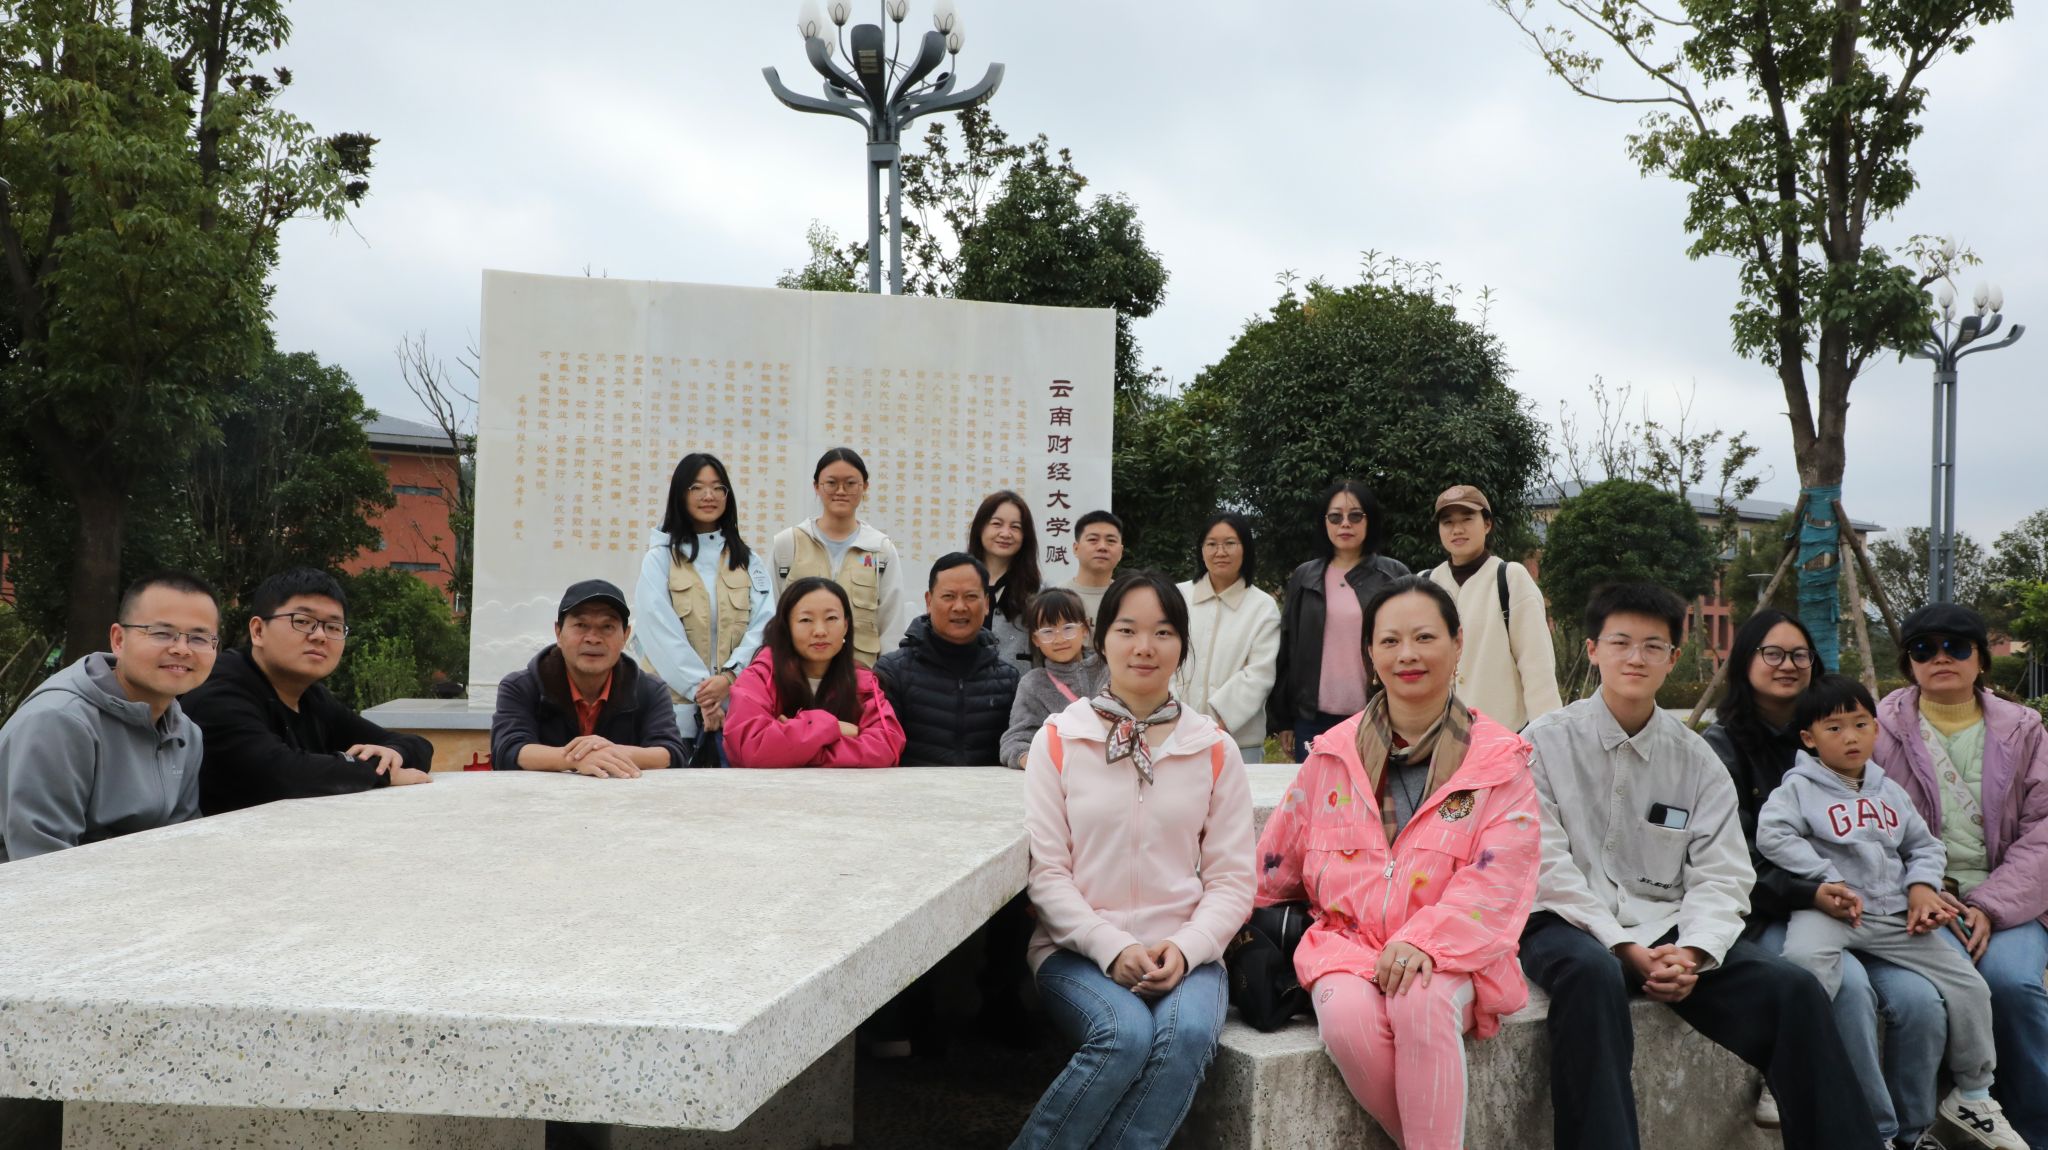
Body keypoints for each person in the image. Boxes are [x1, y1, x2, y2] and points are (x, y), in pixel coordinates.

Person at [1518, 581, 1877, 1150]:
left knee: (1793, 990)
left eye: (1653, 646)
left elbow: (1723, 873)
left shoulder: (1696, 758)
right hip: (1565, 921)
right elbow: (1543, 864)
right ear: (1593, 650)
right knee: (1591, 976)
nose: (1636, 658)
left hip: (1667, 927)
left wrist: (1692, 951)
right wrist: (1621, 946)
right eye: (1620, 643)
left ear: (1673, 657)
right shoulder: (1543, 744)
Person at [1254, 576, 1541, 1150]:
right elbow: (1272, 868)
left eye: (1424, 637)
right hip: (1345, 944)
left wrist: (1423, 941)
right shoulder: (1332, 756)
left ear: (1458, 644)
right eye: (1389, 641)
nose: (1407, 654)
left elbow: (1500, 880)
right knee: (1348, 1024)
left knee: (1421, 1002)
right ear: (1370, 652)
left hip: (1454, 950)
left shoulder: (1497, 762)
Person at [1013, 572, 1254, 1149]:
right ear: (1101, 639)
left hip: (1186, 951)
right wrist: (1111, 946)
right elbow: (1048, 873)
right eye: (1127, 630)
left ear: (1183, 645)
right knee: (1124, 1034)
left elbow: (1232, 880)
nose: (1144, 647)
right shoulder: (1059, 739)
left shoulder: (1213, 749)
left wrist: (1188, 946)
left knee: (1187, 1033)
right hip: (1076, 950)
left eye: (1163, 632)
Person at [1704, 610, 1945, 1144]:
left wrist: (1919, 885)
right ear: (1744, 661)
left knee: (1920, 1001)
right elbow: (1732, 855)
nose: (1788, 664)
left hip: (1865, 910)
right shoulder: (1722, 747)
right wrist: (1811, 892)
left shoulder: (1841, 729)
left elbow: (1897, 833)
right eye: (1772, 653)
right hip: (1775, 909)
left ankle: (1914, 1133)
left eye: (1800, 654)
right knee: (1849, 992)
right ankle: (1870, 1133)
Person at [1760, 674, 2027, 1150]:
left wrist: (1921, 886)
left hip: (1894, 915)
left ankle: (1973, 1092)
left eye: (1861, 724)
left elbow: (1925, 846)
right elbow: (1774, 836)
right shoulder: (1797, 789)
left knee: (1967, 983)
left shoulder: (1890, 791)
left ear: (1876, 729)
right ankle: (1783, 1072)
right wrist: (1825, 877)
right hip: (1833, 912)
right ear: (1809, 738)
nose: (1851, 736)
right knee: (1802, 966)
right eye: (1834, 728)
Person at [1874, 602, 2048, 1150]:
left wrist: (1990, 905)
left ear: (1981, 659)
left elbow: (2043, 830)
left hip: (2010, 896)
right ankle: (1918, 1129)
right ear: (1908, 662)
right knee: (1932, 991)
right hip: (1915, 897)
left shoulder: (2025, 730)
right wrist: (1922, 891)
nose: (1940, 657)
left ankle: (2036, 1130)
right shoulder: (1875, 729)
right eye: (1924, 648)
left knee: (2012, 984)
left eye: (1956, 646)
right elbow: (1862, 827)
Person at [0, 572, 219, 862]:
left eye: (199, 638)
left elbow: (181, 838)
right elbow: (42, 861)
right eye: (161, 633)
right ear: (118, 639)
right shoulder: (58, 722)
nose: (181, 648)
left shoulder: (186, 732)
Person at [187, 568, 434, 814]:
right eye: (303, 622)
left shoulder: (312, 697)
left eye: (333, 627)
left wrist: (393, 754)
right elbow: (279, 774)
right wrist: (378, 772)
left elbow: (417, 745)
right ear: (258, 631)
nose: (320, 636)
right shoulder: (219, 691)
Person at [633, 453, 774, 766]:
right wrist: (704, 692)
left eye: (717, 487)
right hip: (673, 717)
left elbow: (766, 625)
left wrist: (730, 678)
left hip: (738, 713)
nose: (708, 496)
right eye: (696, 487)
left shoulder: (746, 559)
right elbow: (658, 633)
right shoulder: (660, 559)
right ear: (680, 495)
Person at [1269, 480, 1410, 762]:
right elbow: (1288, 650)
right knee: (1315, 789)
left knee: (1375, 789)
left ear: (1370, 520)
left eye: (1355, 516)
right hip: (1312, 718)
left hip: (1377, 714)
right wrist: (1284, 719)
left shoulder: (1394, 575)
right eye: (1335, 517)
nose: (1345, 523)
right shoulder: (1305, 577)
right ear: (1324, 523)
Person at [490, 580, 688, 777]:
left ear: (625, 636)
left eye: (607, 627)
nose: (593, 638)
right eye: (581, 625)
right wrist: (575, 759)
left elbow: (671, 753)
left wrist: (613, 753)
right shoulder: (521, 687)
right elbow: (508, 750)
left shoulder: (650, 690)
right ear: (558, 633)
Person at [724, 578, 905, 768]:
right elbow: (752, 748)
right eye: (806, 620)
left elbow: (886, 747)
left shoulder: (863, 682)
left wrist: (794, 746)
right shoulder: (760, 677)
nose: (820, 631)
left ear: (845, 625)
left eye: (831, 618)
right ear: (787, 627)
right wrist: (832, 727)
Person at [1424, 485, 1561, 731]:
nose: (1457, 529)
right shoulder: (1426, 584)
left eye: (1467, 519)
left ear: (1487, 524)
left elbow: (1537, 668)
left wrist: (1547, 737)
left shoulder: (1509, 578)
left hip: (1503, 734)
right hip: (1437, 736)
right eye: (1447, 522)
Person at [874, 552, 1022, 766]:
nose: (960, 607)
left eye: (971, 596)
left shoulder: (1008, 680)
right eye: (948, 596)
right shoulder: (892, 672)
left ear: (987, 603)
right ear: (929, 601)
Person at [771, 447, 904, 668]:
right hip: (797, 674)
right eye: (831, 483)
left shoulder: (881, 550)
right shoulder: (788, 543)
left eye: (851, 483)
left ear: (865, 487)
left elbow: (892, 623)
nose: (841, 491)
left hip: (860, 675)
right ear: (816, 486)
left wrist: (885, 677)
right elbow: (772, 613)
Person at [1175, 512, 1281, 764]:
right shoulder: (1177, 596)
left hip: (1238, 742)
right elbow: (1163, 658)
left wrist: (1221, 721)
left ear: (1245, 549)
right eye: (1211, 544)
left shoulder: (1262, 606)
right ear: (1201, 550)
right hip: (1176, 733)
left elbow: (1259, 673)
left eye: (1230, 543)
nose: (1220, 552)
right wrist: (1173, 715)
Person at [999, 589, 1107, 770]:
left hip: (1113, 768)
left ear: (1084, 629)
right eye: (1048, 631)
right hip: (1064, 772)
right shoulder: (1033, 684)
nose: (1059, 639)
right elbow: (1015, 740)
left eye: (1068, 628)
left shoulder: (1108, 667)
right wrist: (1031, 760)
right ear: (1035, 639)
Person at [969, 490, 1041, 670]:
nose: (1005, 533)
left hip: (1019, 686)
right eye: (997, 524)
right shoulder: (959, 580)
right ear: (980, 527)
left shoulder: (1038, 591)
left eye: (1015, 527)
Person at [1059, 510, 1125, 631]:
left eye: (1111, 541)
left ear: (1120, 552)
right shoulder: (1056, 598)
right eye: (1093, 539)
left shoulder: (1128, 599)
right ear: (1076, 548)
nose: (1102, 547)